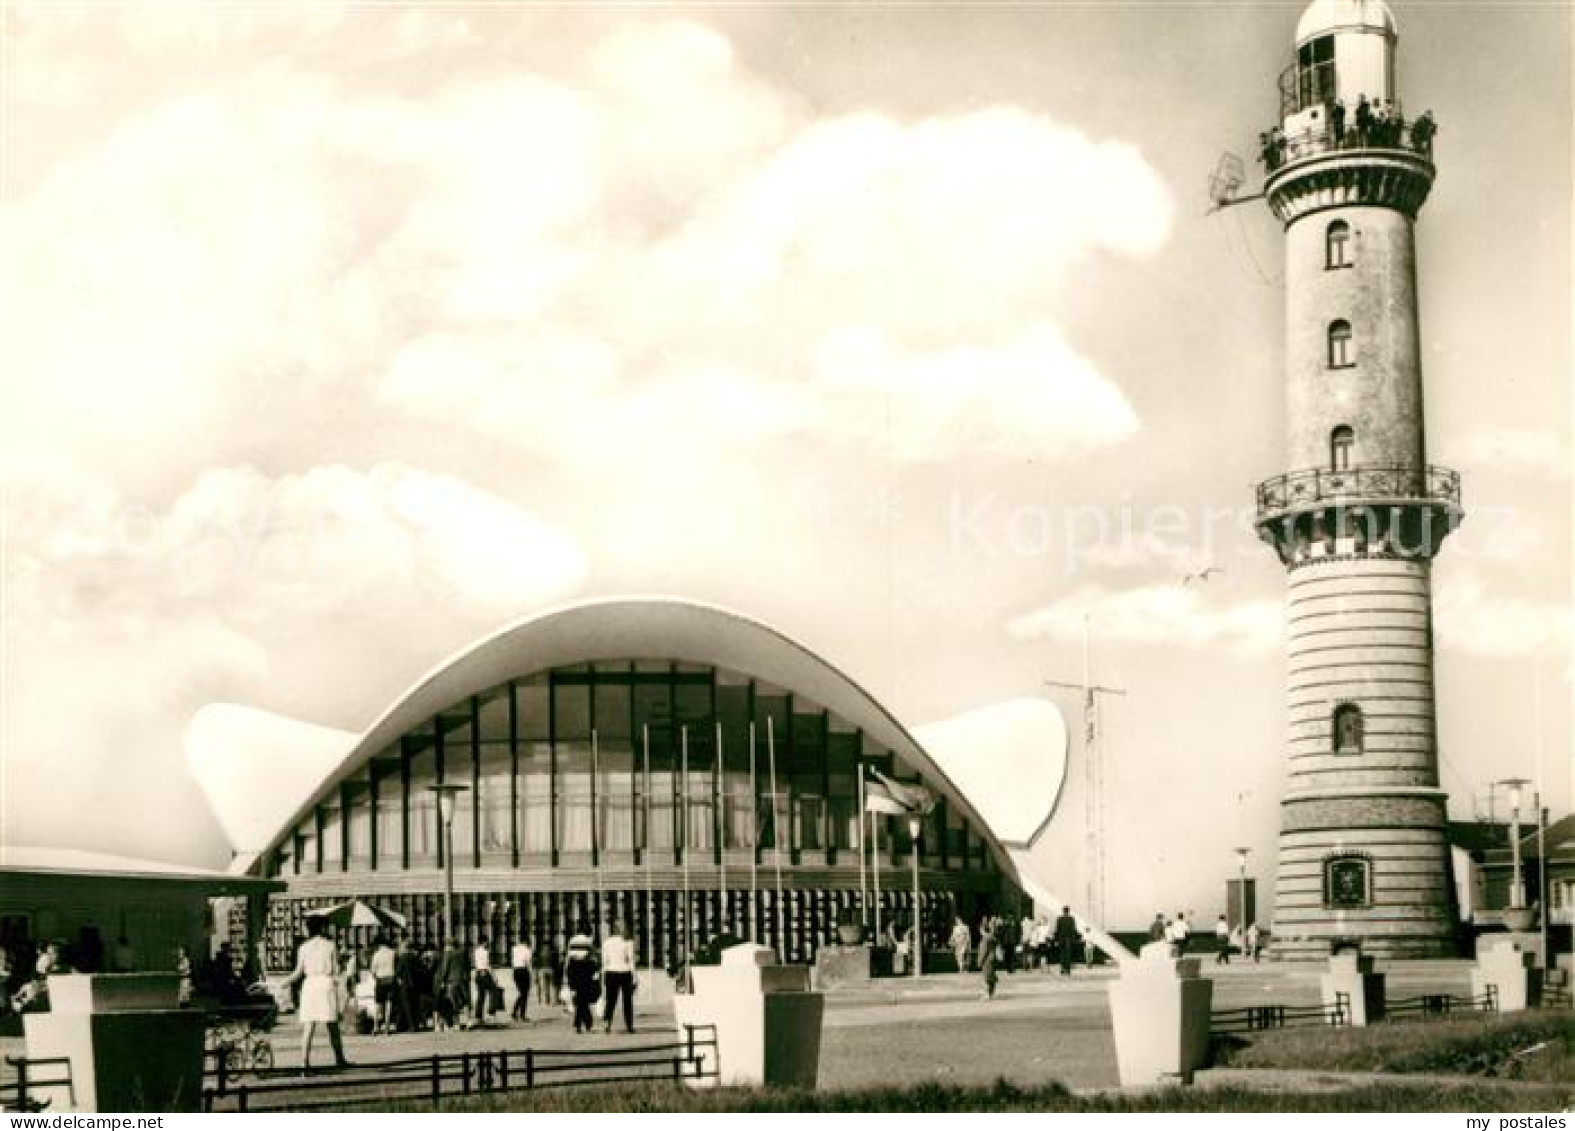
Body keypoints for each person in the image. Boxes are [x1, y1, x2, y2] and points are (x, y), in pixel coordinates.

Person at [288, 917, 351, 1071]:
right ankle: (339, 1059)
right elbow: (336, 970)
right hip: (325, 984)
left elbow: (298, 972)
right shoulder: (330, 946)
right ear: (322, 928)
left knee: (308, 1026)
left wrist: (283, 982)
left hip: (309, 985)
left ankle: (304, 1062)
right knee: (332, 1025)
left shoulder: (303, 947)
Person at [601, 920, 637, 1034]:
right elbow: (631, 960)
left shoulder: (606, 942)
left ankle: (607, 1023)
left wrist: (603, 976)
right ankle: (629, 1025)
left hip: (611, 972)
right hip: (625, 972)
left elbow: (605, 961)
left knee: (610, 1000)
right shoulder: (628, 942)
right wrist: (635, 976)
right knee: (627, 1001)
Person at [564, 931, 600, 1034]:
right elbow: (592, 956)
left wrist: (567, 975)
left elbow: (568, 957)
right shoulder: (588, 941)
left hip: (574, 969)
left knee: (580, 1002)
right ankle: (586, 1024)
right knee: (582, 1002)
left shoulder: (572, 940)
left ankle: (580, 1024)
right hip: (585, 970)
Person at [435, 938, 468, 1031]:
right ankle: (462, 1022)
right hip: (461, 980)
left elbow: (445, 969)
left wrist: (442, 981)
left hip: (451, 981)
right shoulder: (461, 953)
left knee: (451, 1003)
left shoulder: (448, 954)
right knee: (460, 1002)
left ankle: (453, 1023)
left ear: (448, 945)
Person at [369, 935, 397, 1034]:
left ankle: (376, 1026)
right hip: (391, 979)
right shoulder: (393, 953)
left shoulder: (376, 955)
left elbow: (372, 971)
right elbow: (396, 968)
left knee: (378, 1004)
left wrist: (376, 978)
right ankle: (387, 1027)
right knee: (389, 1003)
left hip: (380, 980)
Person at [472, 937, 496, 1028]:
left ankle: (478, 1016)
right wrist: (494, 976)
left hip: (478, 973)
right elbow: (488, 965)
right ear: (484, 942)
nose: (488, 944)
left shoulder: (476, 951)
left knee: (480, 995)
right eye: (487, 942)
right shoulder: (486, 952)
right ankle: (491, 1013)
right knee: (493, 991)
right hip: (485, 973)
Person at [510, 936, 533, 1023]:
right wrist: (531, 974)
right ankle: (521, 1014)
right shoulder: (527, 950)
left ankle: (515, 1012)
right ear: (527, 942)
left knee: (521, 993)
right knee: (525, 994)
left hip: (515, 971)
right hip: (523, 971)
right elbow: (528, 963)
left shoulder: (514, 948)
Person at [1053, 906, 1080, 976]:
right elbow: (1073, 930)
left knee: (1062, 954)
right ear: (1069, 911)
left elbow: (1057, 930)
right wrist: (1075, 939)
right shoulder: (1071, 919)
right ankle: (1068, 970)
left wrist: (1056, 939)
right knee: (1068, 954)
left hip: (1061, 939)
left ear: (1063, 911)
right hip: (1069, 939)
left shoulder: (1059, 919)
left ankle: (1062, 969)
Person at [534, 935, 558, 1007]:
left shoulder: (540, 952)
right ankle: (554, 1001)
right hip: (551, 969)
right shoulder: (553, 952)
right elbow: (556, 962)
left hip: (542, 969)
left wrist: (536, 972)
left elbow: (537, 963)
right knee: (553, 986)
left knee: (544, 986)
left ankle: (546, 1001)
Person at [978, 920, 998, 1000]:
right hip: (992, 958)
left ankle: (986, 994)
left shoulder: (985, 939)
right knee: (991, 977)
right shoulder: (992, 937)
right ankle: (991, 994)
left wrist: (979, 961)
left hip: (987, 960)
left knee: (986, 978)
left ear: (982, 929)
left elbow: (983, 951)